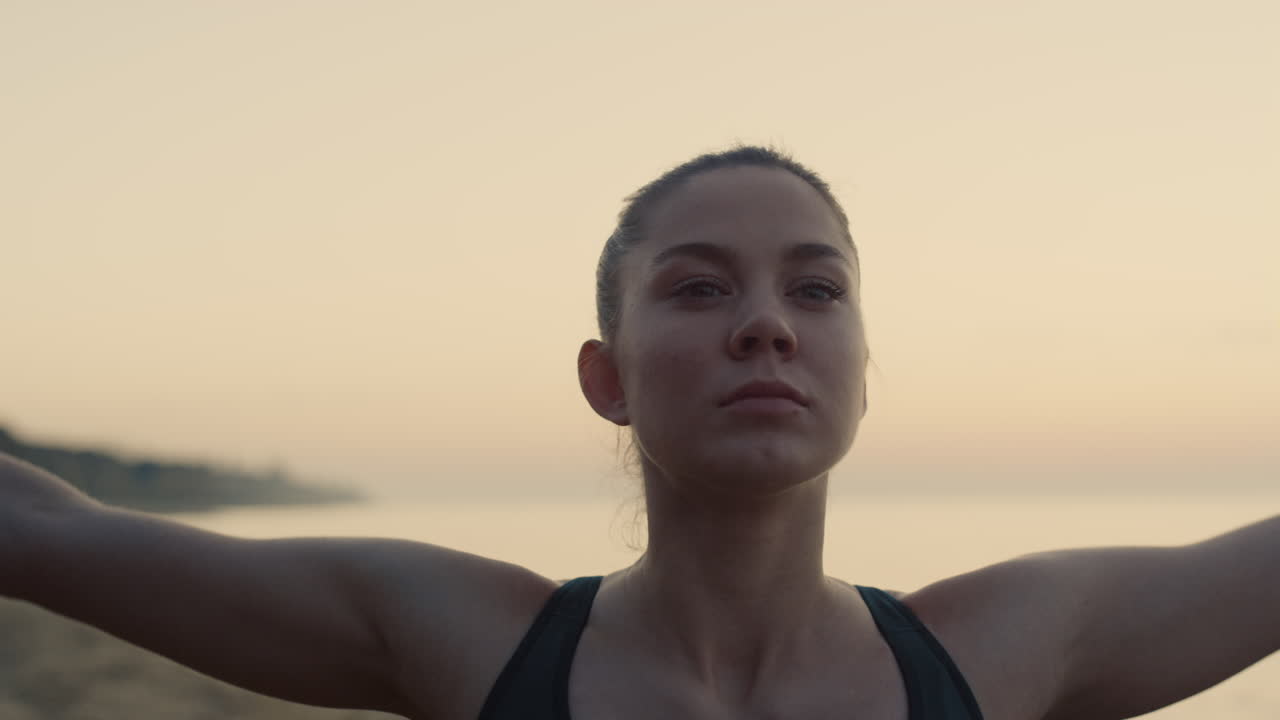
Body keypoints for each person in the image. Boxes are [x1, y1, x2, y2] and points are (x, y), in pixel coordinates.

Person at [1, 145, 1276, 720]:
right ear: (604, 380)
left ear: (860, 373)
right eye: (699, 286)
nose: (766, 325)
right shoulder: (468, 641)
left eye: (814, 290)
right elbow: (46, 530)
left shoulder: (999, 650)